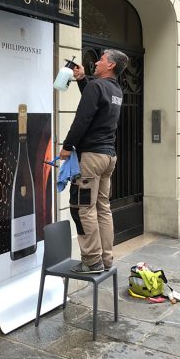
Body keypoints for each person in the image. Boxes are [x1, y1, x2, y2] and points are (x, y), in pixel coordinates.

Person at [59, 49, 129, 273]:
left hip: (91, 158)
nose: (96, 62)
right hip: (108, 157)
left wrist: (67, 147)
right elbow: (96, 104)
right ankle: (106, 259)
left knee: (82, 208)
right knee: (102, 208)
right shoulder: (116, 89)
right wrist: (82, 81)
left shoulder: (96, 86)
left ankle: (92, 261)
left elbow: (83, 119)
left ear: (110, 65)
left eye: (101, 59)